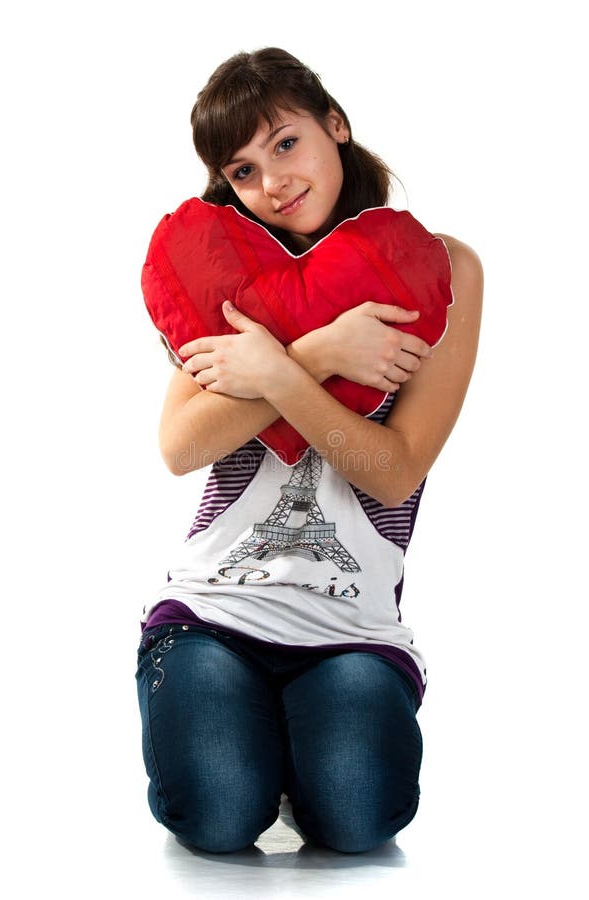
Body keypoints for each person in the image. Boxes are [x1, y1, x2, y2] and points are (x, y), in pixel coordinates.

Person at [135, 47, 483, 855]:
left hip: (354, 626)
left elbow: (395, 473)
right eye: (244, 169)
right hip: (213, 612)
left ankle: (293, 747)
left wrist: (274, 372)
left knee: (360, 816)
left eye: (286, 144)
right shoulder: (218, 275)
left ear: (337, 125)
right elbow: (180, 447)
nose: (273, 183)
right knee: (215, 817)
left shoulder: (439, 269)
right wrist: (321, 351)